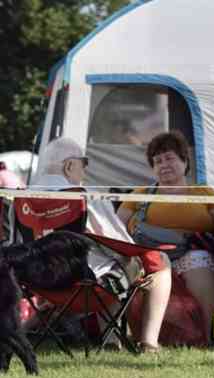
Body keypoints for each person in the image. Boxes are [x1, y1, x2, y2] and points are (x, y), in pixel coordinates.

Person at [32, 137, 171, 352]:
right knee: (146, 262)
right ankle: (148, 342)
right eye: (83, 163)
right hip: (84, 286)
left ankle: (112, 341)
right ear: (69, 166)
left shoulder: (21, 197)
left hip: (39, 284)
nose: (84, 171)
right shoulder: (84, 197)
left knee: (112, 262)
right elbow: (119, 241)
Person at [117, 130, 214, 345]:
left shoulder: (205, 193)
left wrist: (208, 242)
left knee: (201, 260)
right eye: (157, 161)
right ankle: (146, 338)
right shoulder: (140, 193)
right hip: (148, 257)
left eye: (169, 158)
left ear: (184, 161)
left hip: (192, 253)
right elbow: (114, 229)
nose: (163, 164)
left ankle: (203, 337)